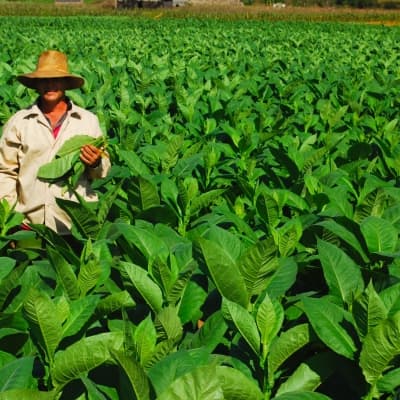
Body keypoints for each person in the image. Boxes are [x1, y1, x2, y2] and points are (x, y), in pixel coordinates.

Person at [0, 50, 111, 235]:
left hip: (74, 224)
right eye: (44, 79)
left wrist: (96, 163)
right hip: (29, 224)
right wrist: (10, 218)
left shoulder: (87, 120)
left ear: (66, 83)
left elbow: (102, 171)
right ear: (36, 84)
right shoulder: (19, 121)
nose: (50, 85)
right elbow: (5, 171)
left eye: (56, 79)